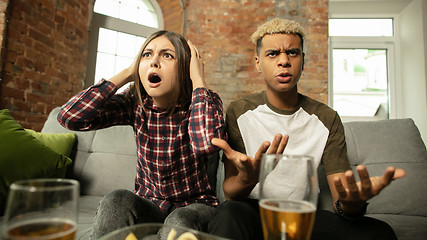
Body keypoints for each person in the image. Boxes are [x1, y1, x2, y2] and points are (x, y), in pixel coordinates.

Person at [207, 18, 406, 240]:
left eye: (292, 52)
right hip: (254, 213)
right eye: (272, 54)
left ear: (303, 60)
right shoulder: (239, 111)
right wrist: (249, 178)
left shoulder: (327, 118)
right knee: (227, 213)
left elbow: (342, 197)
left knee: (380, 233)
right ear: (257, 62)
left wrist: (352, 203)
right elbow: (230, 192)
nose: (284, 61)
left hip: (303, 215)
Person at [57, 30, 226, 239]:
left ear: (185, 68)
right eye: (147, 55)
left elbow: (205, 145)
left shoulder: (205, 100)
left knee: (178, 221)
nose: (154, 62)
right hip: (151, 204)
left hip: (194, 206)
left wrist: (197, 79)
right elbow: (69, 117)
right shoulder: (134, 103)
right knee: (115, 200)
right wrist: (128, 72)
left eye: (167, 55)